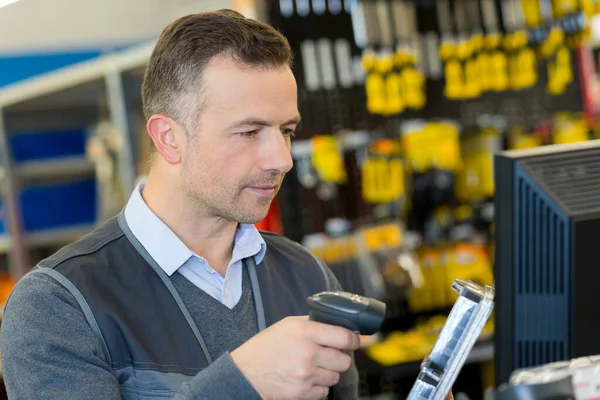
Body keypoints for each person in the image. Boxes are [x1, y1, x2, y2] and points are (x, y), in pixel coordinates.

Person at [0, 9, 361, 400]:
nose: (281, 159)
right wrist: (239, 383)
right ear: (169, 138)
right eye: (250, 131)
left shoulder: (306, 276)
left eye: (286, 131)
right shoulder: (58, 304)